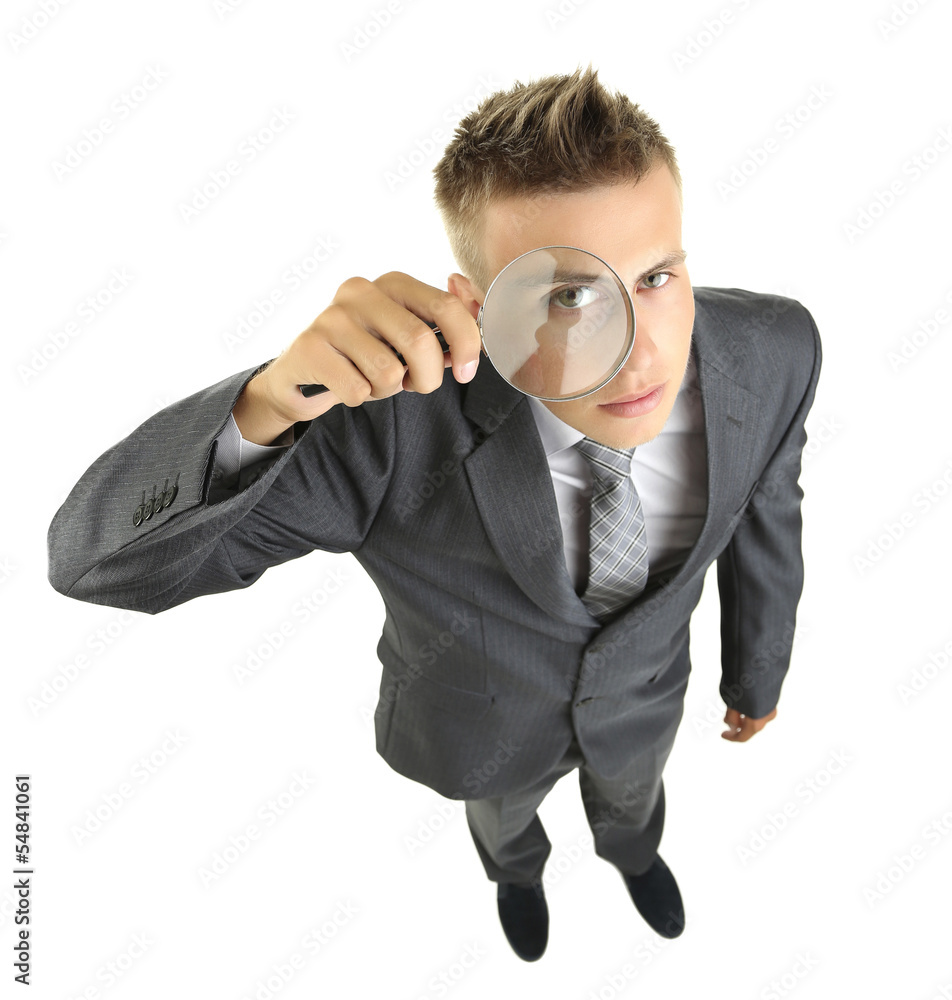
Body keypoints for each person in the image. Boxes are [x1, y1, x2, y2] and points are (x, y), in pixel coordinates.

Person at [48, 67, 822, 962]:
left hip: (647, 702)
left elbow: (771, 522)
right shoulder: (384, 432)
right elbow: (92, 565)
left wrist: (756, 680)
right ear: (478, 308)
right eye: (570, 294)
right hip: (482, 730)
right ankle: (518, 878)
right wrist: (269, 403)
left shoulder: (774, 352)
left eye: (655, 275)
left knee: (635, 804)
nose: (639, 354)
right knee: (505, 827)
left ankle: (633, 855)